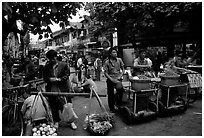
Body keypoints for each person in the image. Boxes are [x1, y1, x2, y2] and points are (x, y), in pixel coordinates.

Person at [43, 49, 77, 130]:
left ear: (56, 57)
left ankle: (71, 121)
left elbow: (67, 75)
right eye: (50, 59)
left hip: (63, 88)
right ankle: (56, 121)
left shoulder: (64, 65)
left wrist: (59, 79)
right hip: (51, 89)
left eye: (53, 58)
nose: (52, 60)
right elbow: (45, 77)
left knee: (66, 105)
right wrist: (50, 79)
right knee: (54, 106)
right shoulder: (46, 67)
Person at [103, 47, 125, 113]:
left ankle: (119, 104)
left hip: (118, 79)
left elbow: (123, 69)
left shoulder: (119, 60)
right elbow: (105, 72)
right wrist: (111, 79)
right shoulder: (107, 62)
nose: (115, 54)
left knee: (121, 91)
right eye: (113, 52)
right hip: (110, 79)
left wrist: (120, 75)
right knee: (110, 94)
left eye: (115, 52)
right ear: (110, 54)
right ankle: (112, 108)